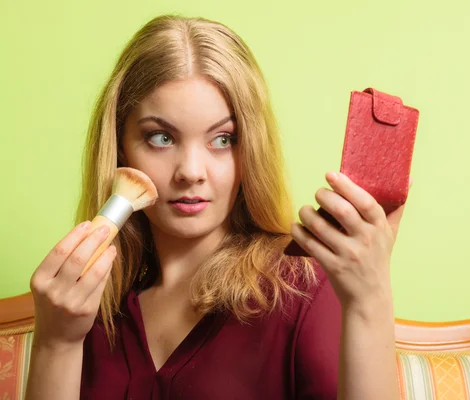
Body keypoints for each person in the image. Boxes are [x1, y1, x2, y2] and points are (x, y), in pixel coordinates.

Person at [25, 14, 406, 400]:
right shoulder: (85, 305)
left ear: (250, 150)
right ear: (120, 146)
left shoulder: (301, 289)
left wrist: (371, 300)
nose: (191, 172)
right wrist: (55, 344)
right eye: (160, 137)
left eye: (223, 140)